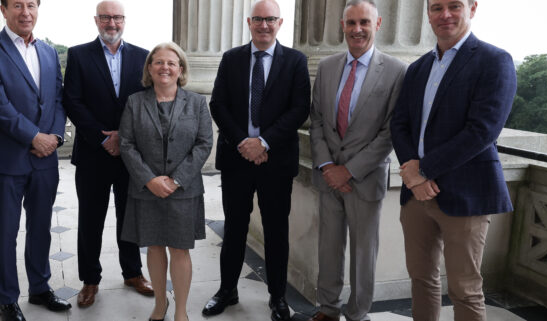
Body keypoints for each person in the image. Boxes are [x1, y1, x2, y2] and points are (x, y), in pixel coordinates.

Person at [389, 0, 516, 320]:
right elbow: (399, 123)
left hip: (467, 194)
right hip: (416, 195)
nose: (445, 14)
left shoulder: (494, 60)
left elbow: (482, 131)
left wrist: (424, 170)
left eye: (454, 6)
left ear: (472, 8)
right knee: (420, 279)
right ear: (428, 13)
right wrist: (413, 175)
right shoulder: (417, 68)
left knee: (465, 288)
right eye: (436, 7)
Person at [201, 1, 310, 320]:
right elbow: (218, 105)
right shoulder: (231, 59)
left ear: (280, 22)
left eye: (270, 19)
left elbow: (300, 109)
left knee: (277, 231)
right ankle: (226, 290)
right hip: (237, 159)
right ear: (249, 22)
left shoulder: (295, 61)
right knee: (234, 228)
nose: (264, 25)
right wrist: (244, 143)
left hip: (275, 161)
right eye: (258, 19)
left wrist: (263, 142)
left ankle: (277, 297)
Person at [306, 1, 407, 320]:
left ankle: (358, 314)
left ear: (377, 26)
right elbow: (318, 120)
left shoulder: (396, 71)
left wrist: (348, 170)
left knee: (364, 255)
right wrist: (327, 167)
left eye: (364, 22)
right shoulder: (327, 66)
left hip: (365, 179)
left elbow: (391, 131)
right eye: (351, 23)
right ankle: (327, 308)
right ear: (342, 25)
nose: (357, 29)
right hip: (328, 178)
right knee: (328, 249)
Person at [0, 0, 71, 319]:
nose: (25, 12)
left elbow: (58, 97)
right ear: (3, 10)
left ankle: (41, 288)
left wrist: (55, 135)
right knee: (6, 232)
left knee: (41, 227)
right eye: (17, 5)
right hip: (8, 159)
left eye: (31, 4)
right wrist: (34, 137)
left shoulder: (48, 51)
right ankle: (7, 298)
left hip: (45, 160)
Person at [63, 0, 153, 308]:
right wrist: (102, 139)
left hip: (131, 156)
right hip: (92, 152)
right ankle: (90, 280)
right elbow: (72, 101)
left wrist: (123, 137)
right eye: (105, 17)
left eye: (116, 17)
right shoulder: (78, 55)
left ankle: (133, 273)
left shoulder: (143, 57)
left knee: (130, 216)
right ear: (96, 20)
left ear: (124, 20)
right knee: (91, 219)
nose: (111, 23)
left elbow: (146, 103)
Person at [119, 42, 213, 321]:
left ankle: (181, 311)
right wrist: (149, 179)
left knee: (180, 249)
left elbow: (204, 143)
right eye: (158, 62)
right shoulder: (135, 102)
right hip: (146, 189)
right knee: (155, 246)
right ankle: (160, 304)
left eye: (172, 63)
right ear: (149, 68)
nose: (165, 67)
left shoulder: (196, 103)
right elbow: (126, 144)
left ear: (181, 69)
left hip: (183, 191)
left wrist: (176, 180)